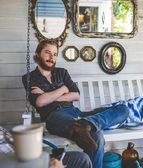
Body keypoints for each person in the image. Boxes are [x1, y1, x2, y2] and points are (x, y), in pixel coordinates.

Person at [22, 39, 130, 168]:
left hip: (77, 114)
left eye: (55, 54)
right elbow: (39, 102)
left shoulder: (62, 72)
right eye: (47, 52)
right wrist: (63, 89)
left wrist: (48, 95)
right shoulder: (29, 77)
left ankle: (87, 124)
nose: (52, 57)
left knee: (123, 109)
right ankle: (84, 125)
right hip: (54, 116)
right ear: (38, 54)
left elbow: (76, 95)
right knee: (98, 137)